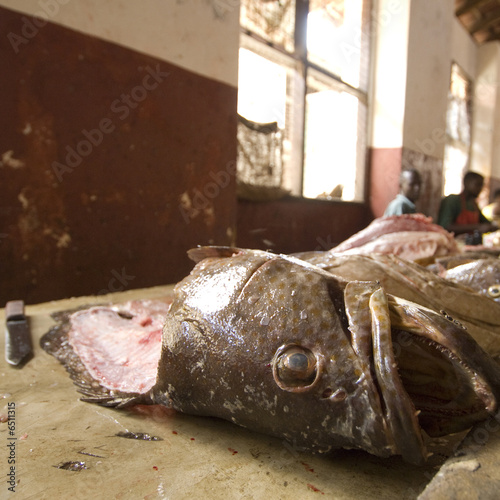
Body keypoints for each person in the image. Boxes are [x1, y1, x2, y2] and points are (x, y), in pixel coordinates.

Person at [437, 171, 497, 235]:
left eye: (481, 186)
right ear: (466, 183)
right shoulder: (452, 200)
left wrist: (492, 226)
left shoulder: (473, 205)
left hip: (469, 243)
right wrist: (476, 227)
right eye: (477, 185)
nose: (480, 189)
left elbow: (486, 223)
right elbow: (445, 226)